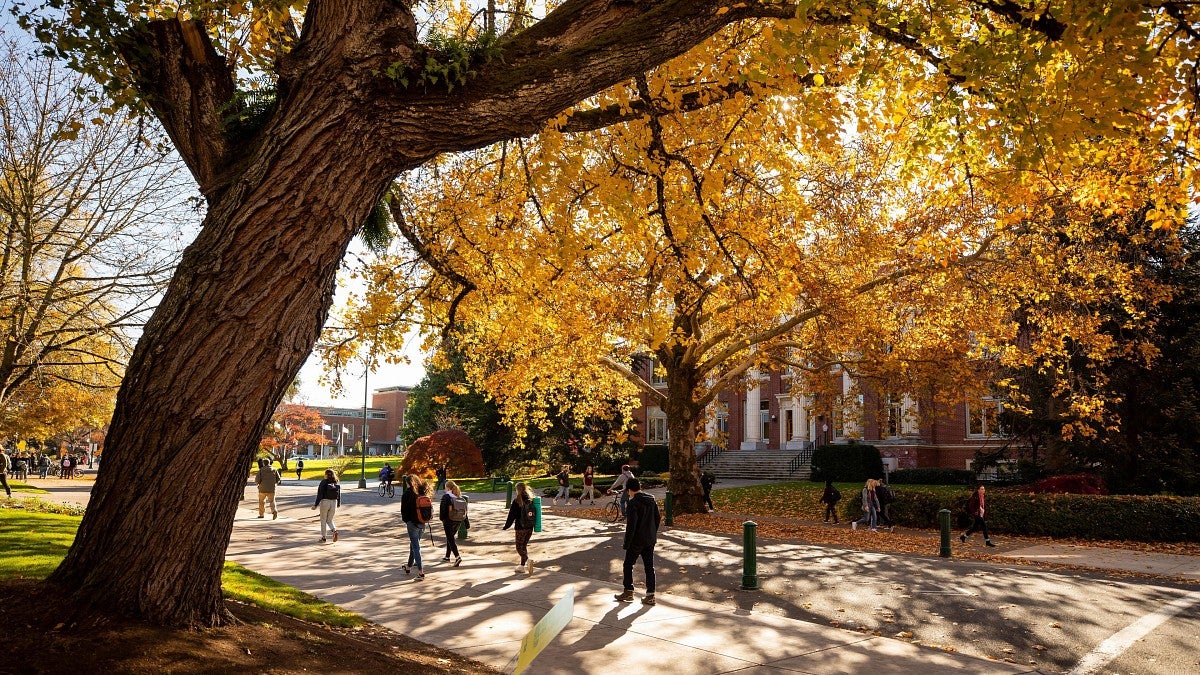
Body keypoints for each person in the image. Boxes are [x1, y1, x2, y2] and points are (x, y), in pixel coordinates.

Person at [613, 478, 661, 606]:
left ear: (629, 490)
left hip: (636, 540)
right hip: (649, 539)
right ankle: (651, 595)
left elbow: (631, 526)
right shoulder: (651, 499)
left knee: (628, 565)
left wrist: (627, 542)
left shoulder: (633, 503)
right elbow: (657, 518)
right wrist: (652, 533)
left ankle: (628, 591)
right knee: (649, 567)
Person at [502, 481, 536, 573]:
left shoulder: (517, 500)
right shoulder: (531, 499)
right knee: (524, 546)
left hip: (520, 527)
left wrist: (506, 526)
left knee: (519, 547)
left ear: (517, 490)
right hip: (529, 527)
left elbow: (511, 515)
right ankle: (522, 566)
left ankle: (528, 560)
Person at [401, 475, 429, 580]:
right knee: (413, 545)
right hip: (422, 522)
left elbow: (403, 511)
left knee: (416, 547)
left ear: (408, 483)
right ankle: (408, 566)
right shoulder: (422, 492)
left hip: (412, 523)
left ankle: (421, 573)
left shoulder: (407, 494)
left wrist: (407, 521)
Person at [439, 479, 468, 566]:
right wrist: (466, 522)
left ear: (447, 488)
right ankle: (447, 556)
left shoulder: (446, 496)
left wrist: (442, 518)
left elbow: (443, 510)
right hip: (458, 520)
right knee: (450, 537)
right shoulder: (459, 497)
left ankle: (457, 556)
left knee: (450, 539)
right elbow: (465, 511)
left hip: (448, 520)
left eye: (445, 488)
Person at [311, 469, 341, 542]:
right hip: (334, 502)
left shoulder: (324, 482)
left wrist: (316, 504)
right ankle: (334, 531)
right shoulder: (336, 482)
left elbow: (320, 494)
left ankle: (323, 537)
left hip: (325, 502)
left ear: (326, 475)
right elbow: (339, 494)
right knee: (329, 520)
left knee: (323, 520)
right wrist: (338, 503)